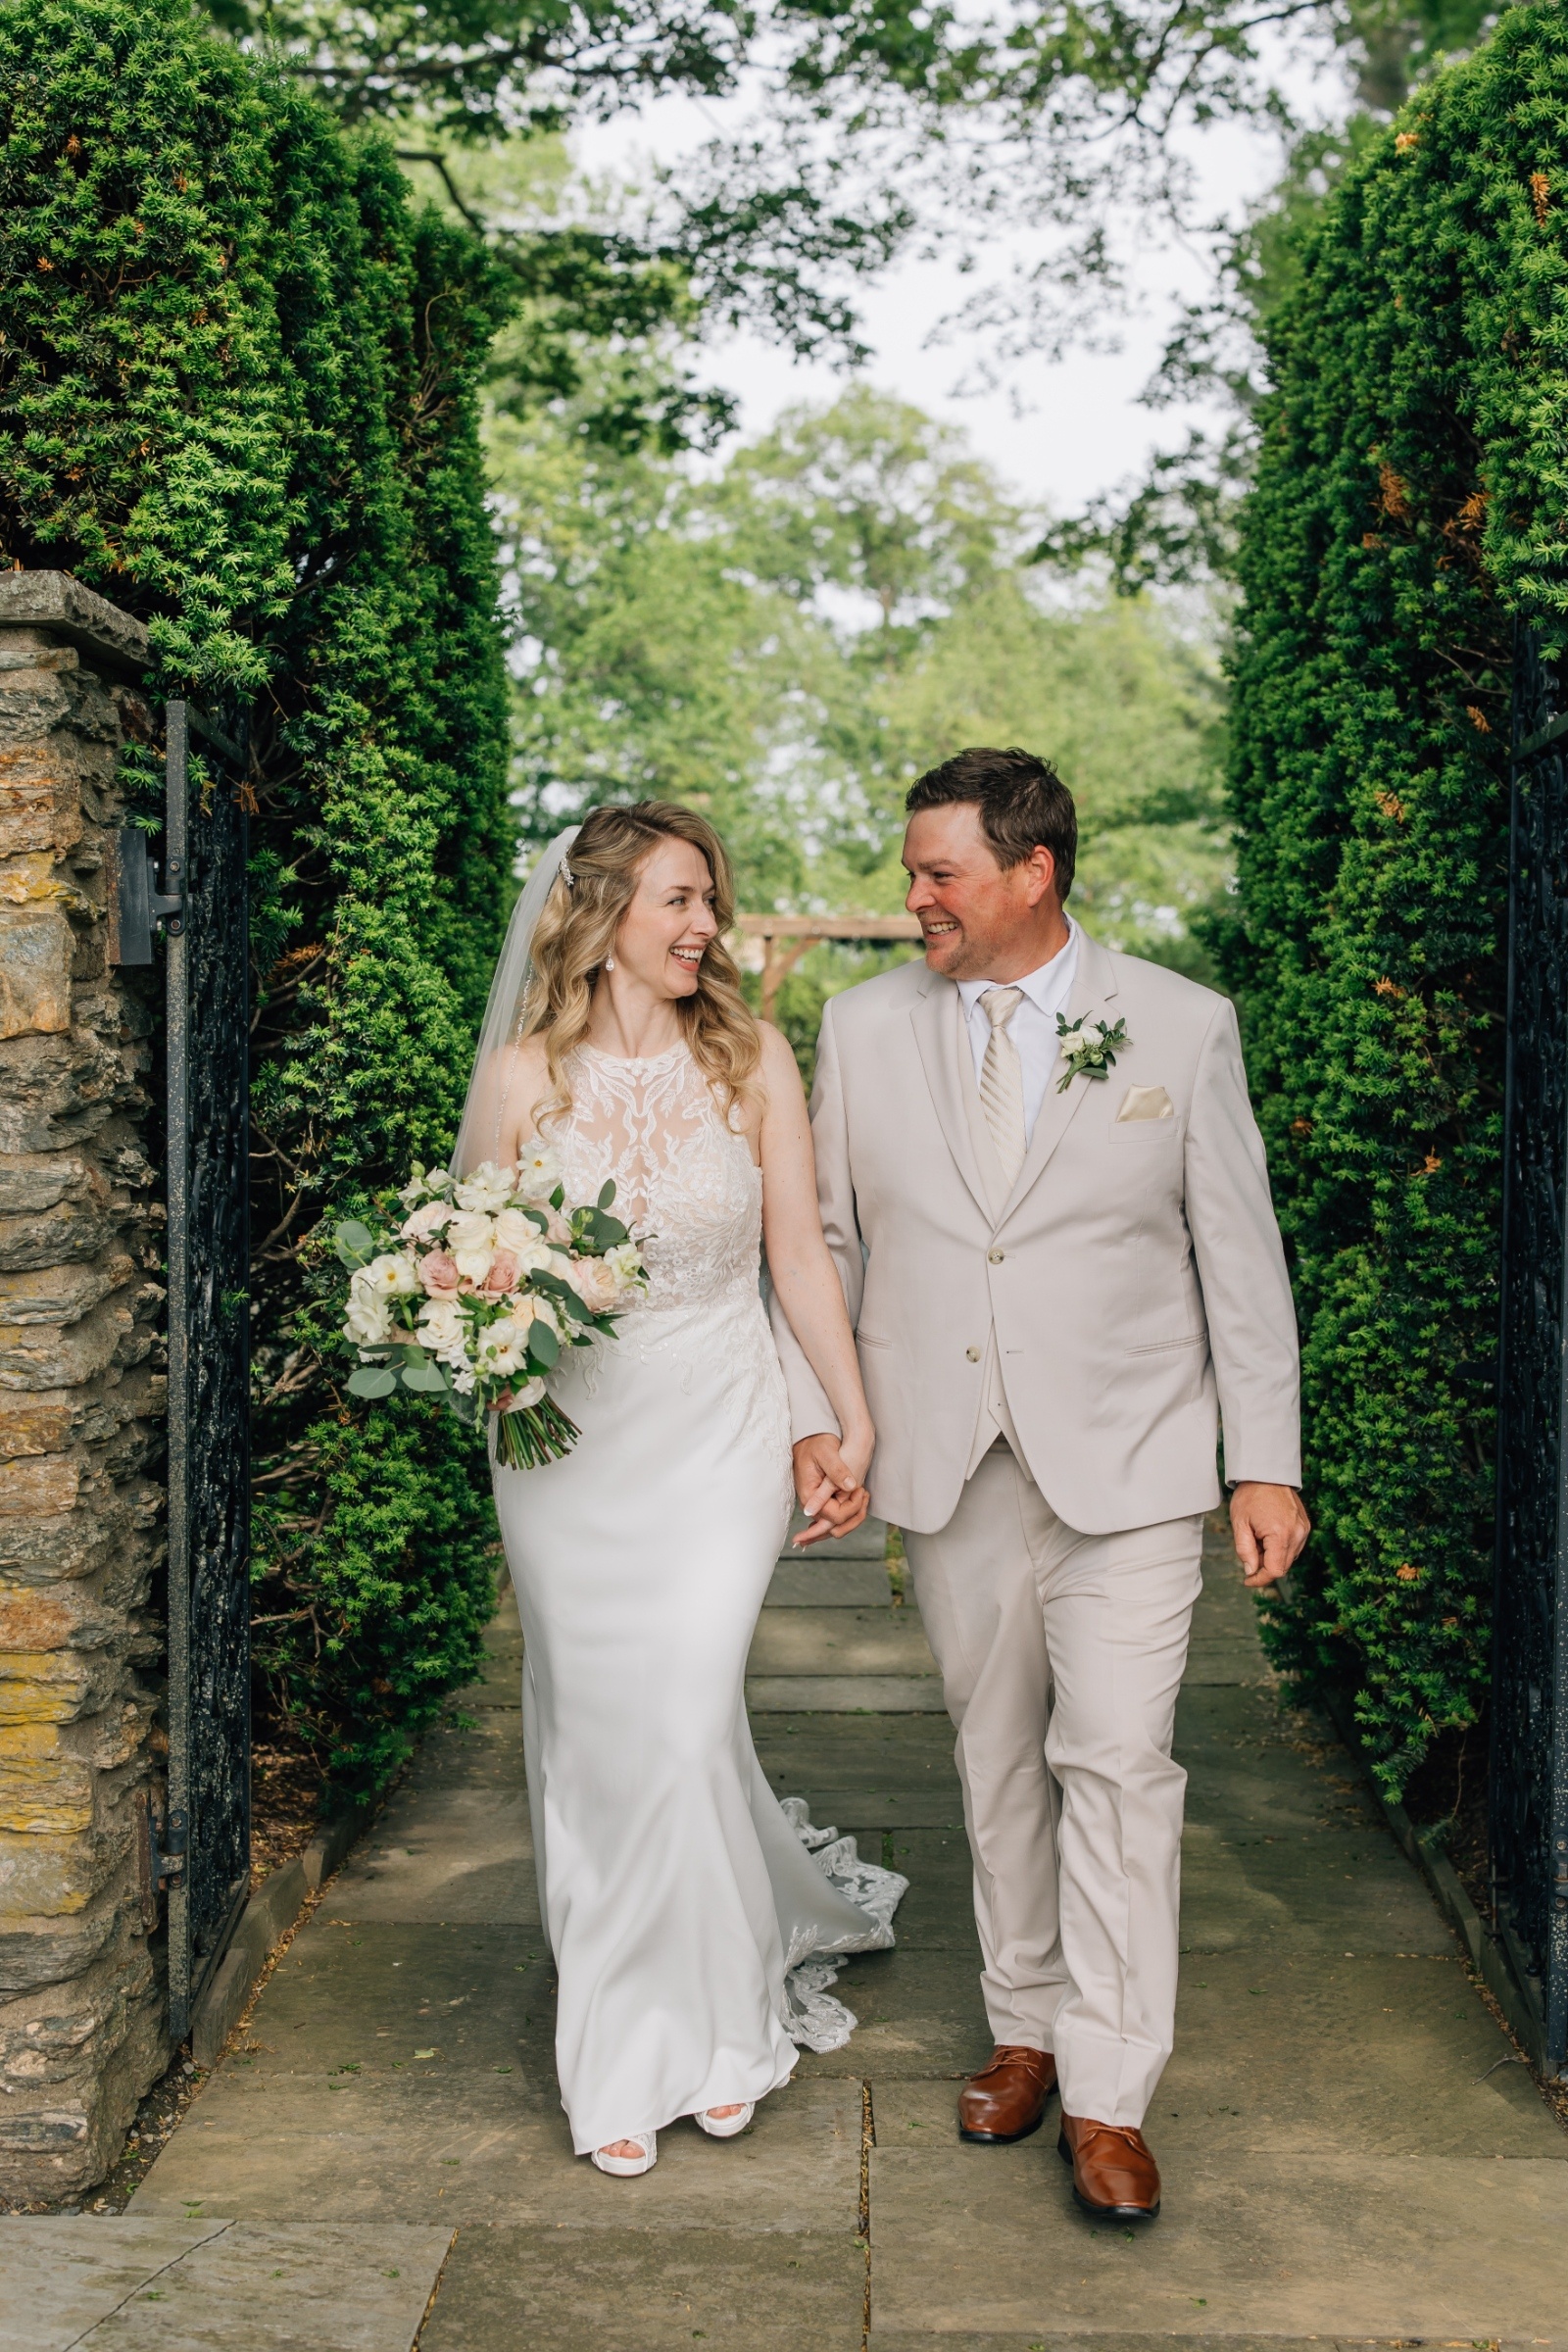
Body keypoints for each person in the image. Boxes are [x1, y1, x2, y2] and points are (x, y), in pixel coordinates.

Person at [770, 746, 1307, 2224]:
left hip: (1132, 1465)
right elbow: (826, 1243)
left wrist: (1263, 1461)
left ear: (1032, 875)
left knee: (1122, 1768)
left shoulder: (1181, 1027)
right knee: (996, 1761)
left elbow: (1237, 1259)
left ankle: (1115, 2090)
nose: (915, 896)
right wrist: (828, 1421)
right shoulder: (863, 1028)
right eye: (913, 868)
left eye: (939, 872)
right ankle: (1028, 2027)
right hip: (954, 1461)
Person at [453, 801, 905, 2179]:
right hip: (571, 1454)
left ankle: (716, 2030)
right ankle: (620, 2045)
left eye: (710, 897)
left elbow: (801, 1262)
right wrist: (484, 1337)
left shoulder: (754, 1058)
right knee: (607, 1736)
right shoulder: (526, 1075)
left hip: (719, 1427)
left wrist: (850, 1416)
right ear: (599, 918)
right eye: (677, 901)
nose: (705, 924)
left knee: (686, 1710)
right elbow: (464, 1262)